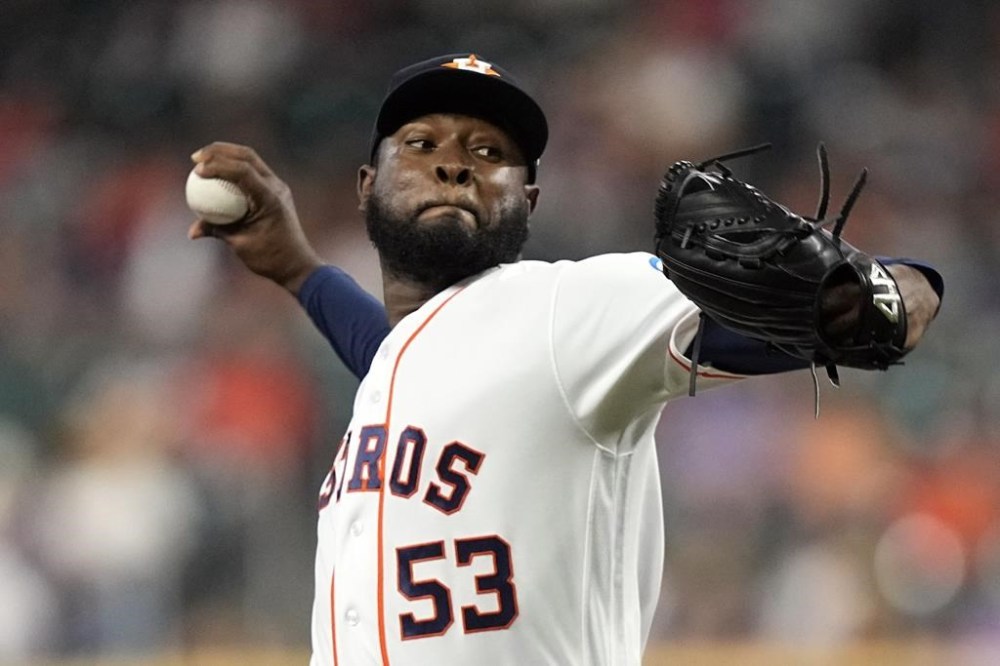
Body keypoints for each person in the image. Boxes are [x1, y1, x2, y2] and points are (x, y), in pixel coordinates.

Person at [187, 53, 942, 665]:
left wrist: (870, 296)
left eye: (490, 153)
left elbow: (881, 306)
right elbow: (392, 355)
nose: (456, 165)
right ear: (365, 186)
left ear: (532, 201)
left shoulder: (571, 311)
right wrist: (297, 268)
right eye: (423, 145)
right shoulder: (416, 366)